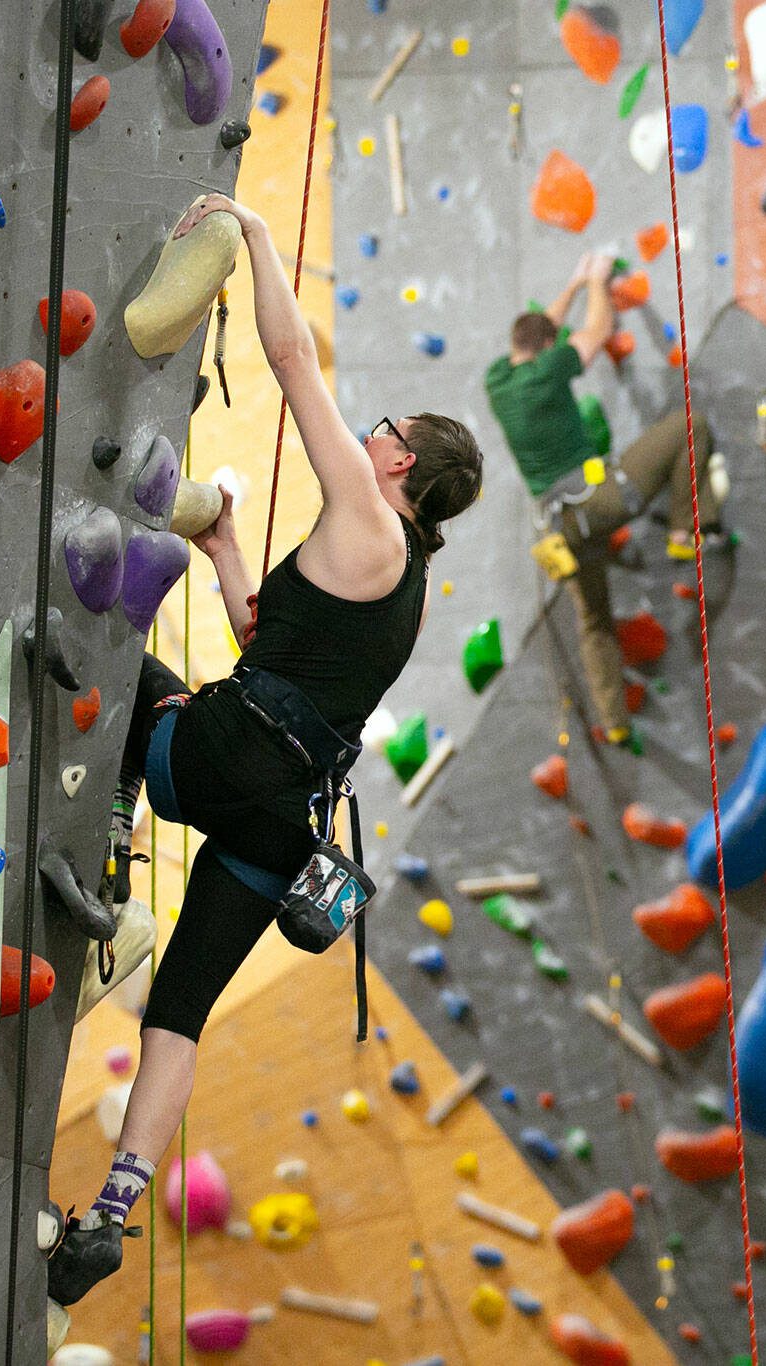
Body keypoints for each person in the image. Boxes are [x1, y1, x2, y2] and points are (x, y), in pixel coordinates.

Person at [40, 192, 483, 1307]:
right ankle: (112, 1209)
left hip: (226, 758)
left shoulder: (369, 515)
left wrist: (257, 237)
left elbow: (289, 359)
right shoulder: (407, 588)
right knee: (177, 1010)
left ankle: (113, 835)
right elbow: (266, 641)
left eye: (387, 432)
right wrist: (231, 542)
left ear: (401, 467)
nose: (370, 433)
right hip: (281, 823)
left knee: (131, 679)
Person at [483, 252, 725, 745]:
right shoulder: (551, 370)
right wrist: (594, 282)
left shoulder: (497, 381)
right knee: (691, 427)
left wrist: (570, 285)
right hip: (598, 499)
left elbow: (540, 329)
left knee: (594, 620)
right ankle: (683, 531)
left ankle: (614, 723)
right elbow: (597, 329)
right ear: (550, 347)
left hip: (560, 528)